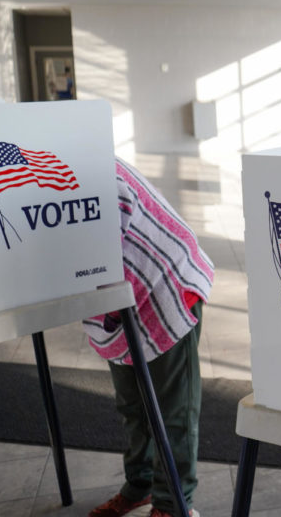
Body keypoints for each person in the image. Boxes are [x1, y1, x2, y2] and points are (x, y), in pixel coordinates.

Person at [84, 158, 214, 517]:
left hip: (166, 279)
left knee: (172, 409)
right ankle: (139, 485)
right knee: (132, 404)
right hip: (118, 294)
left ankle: (173, 503)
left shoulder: (75, 161)